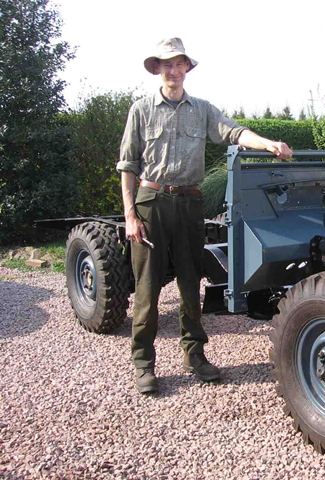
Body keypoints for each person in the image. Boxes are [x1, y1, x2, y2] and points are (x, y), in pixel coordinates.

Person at [117, 37, 293, 394]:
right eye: (166, 64)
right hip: (152, 202)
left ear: (186, 68)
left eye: (179, 63)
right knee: (148, 289)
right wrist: (130, 215)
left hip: (190, 204)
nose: (173, 70)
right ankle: (143, 364)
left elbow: (234, 131)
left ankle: (194, 356)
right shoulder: (141, 109)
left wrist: (269, 144)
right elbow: (127, 165)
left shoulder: (202, 109)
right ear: (158, 69)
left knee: (189, 283)